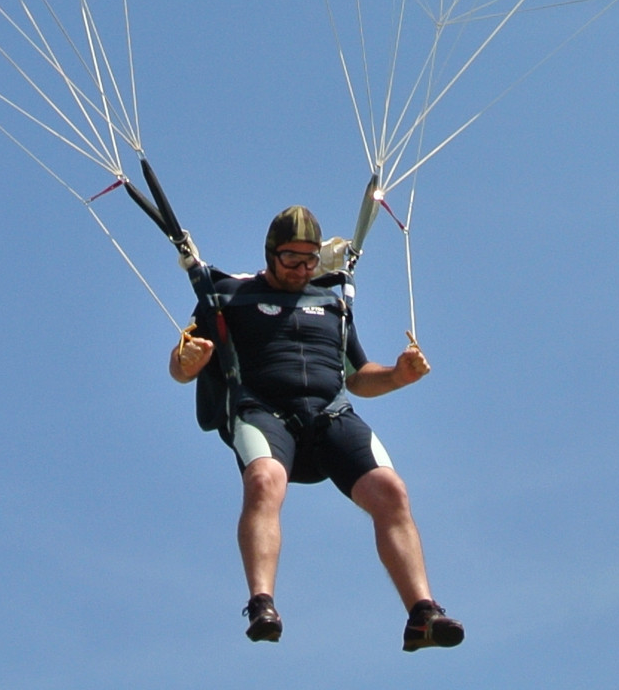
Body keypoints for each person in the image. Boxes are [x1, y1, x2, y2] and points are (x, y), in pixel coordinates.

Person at [168, 206, 465, 651]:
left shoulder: (332, 301)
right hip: (263, 412)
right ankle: (261, 602)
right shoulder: (227, 296)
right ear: (270, 255)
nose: (301, 269)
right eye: (291, 259)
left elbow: (359, 376)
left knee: (392, 491)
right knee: (264, 480)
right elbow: (182, 362)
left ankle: (422, 613)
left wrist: (400, 375)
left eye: (309, 260)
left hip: (331, 414)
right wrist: (185, 364)